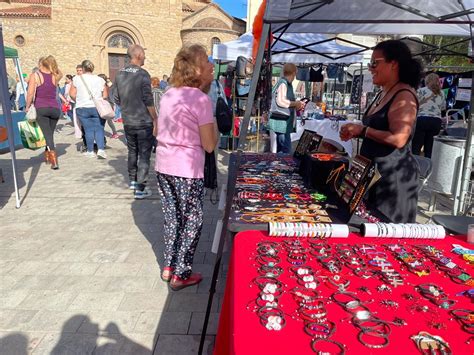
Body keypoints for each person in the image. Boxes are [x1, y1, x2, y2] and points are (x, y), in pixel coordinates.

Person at [155, 44, 217, 290]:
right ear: (197, 70)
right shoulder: (201, 99)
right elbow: (210, 145)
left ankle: (169, 265)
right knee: (192, 220)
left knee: (172, 217)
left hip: (163, 164)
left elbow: (158, 130)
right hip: (186, 169)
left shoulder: (170, 93)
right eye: (207, 62)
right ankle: (181, 273)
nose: (212, 66)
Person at [339, 39, 422, 223]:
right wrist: (355, 131)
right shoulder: (384, 92)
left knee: (387, 238)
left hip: (393, 181)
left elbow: (399, 138)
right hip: (373, 176)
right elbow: (373, 129)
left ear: (394, 64)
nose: (371, 68)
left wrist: (363, 131)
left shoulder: (404, 96)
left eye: (375, 63)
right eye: (370, 63)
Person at [114, 44, 157, 199]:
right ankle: (140, 188)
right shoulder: (143, 74)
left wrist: (127, 108)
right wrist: (155, 118)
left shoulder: (119, 74)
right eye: (144, 54)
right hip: (143, 121)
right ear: (138, 55)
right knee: (144, 155)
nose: (145, 57)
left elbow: (116, 98)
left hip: (128, 121)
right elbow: (148, 99)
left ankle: (133, 180)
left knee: (132, 151)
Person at [25, 55, 63, 169]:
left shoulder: (35, 75)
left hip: (41, 108)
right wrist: (52, 65)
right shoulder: (55, 76)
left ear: (40, 64)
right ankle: (47, 156)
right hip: (55, 109)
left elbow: (30, 93)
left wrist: (27, 106)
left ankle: (54, 161)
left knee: (47, 135)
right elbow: (59, 72)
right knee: (49, 134)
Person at [69, 60, 108, 159]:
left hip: (82, 107)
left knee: (88, 129)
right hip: (96, 107)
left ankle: (90, 151)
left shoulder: (77, 79)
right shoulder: (100, 79)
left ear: (83, 68)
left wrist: (79, 100)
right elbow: (105, 95)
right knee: (99, 129)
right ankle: (101, 150)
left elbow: (72, 94)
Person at [269, 63, 305, 153]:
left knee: (283, 149)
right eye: (295, 74)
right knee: (285, 150)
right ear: (293, 73)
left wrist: (297, 105)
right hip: (282, 123)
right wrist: (295, 103)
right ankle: (281, 166)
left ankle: (280, 165)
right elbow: (280, 101)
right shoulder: (283, 83)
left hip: (283, 123)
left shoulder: (285, 83)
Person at [412, 73, 446, 158]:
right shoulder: (442, 93)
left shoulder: (420, 90)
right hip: (436, 121)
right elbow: (443, 108)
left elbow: (414, 104)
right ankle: (429, 168)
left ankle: (414, 168)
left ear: (427, 81)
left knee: (416, 146)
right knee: (430, 148)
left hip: (422, 119)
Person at [98, 74, 119, 139]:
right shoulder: (109, 86)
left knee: (105, 120)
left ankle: (114, 133)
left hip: (106, 104)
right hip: (109, 104)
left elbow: (107, 96)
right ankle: (114, 133)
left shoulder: (105, 87)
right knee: (108, 120)